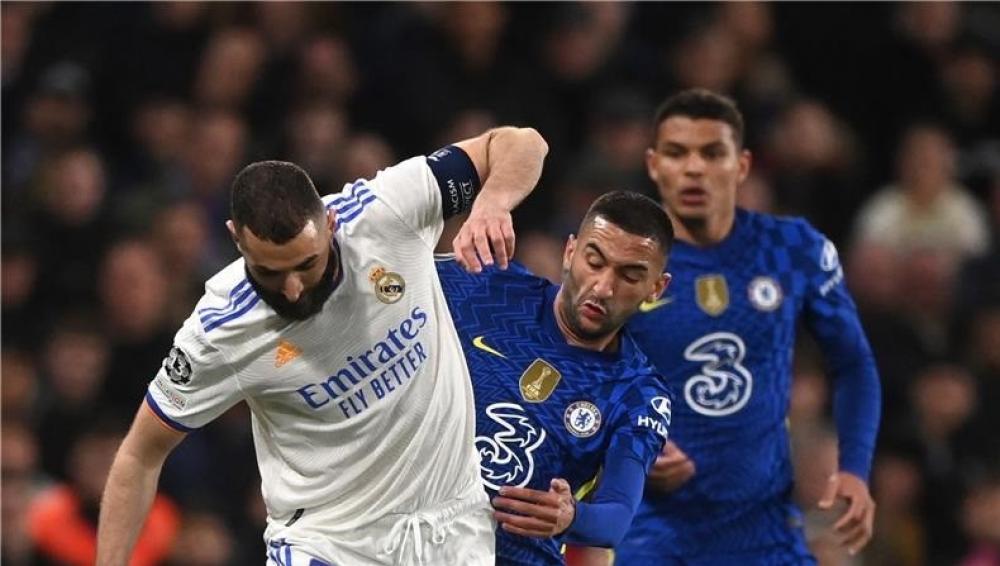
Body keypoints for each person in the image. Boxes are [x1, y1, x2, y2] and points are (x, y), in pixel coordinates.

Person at [95, 126, 549, 566]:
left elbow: (520, 143)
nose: (292, 289)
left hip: (455, 529)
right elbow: (139, 455)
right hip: (332, 545)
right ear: (236, 238)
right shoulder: (221, 332)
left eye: (306, 264)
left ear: (331, 223)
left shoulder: (385, 212)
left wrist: (492, 202)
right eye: (269, 272)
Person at [571, 89, 881, 565]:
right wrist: (631, 446)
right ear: (654, 165)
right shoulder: (625, 263)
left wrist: (855, 467)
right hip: (652, 537)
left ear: (742, 165)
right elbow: (576, 372)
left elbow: (853, 362)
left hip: (765, 532)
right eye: (677, 153)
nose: (694, 168)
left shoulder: (792, 249)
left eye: (712, 153)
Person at [435, 190, 674, 565]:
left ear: (656, 288)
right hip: (403, 541)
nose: (603, 287)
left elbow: (616, 515)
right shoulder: (485, 290)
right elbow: (385, 287)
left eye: (630, 276)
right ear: (570, 252)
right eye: (594, 262)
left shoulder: (637, 393)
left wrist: (572, 516)